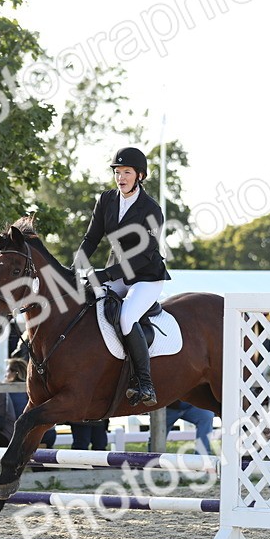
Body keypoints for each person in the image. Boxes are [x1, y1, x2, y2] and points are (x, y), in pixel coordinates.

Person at [75, 146, 170, 407]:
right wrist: (76, 266)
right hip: (116, 271)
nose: (121, 177)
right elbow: (91, 238)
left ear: (139, 175)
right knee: (84, 301)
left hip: (146, 277)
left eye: (126, 172)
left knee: (127, 317)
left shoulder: (151, 209)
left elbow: (143, 254)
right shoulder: (106, 199)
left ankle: (144, 382)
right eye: (117, 172)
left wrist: (106, 274)